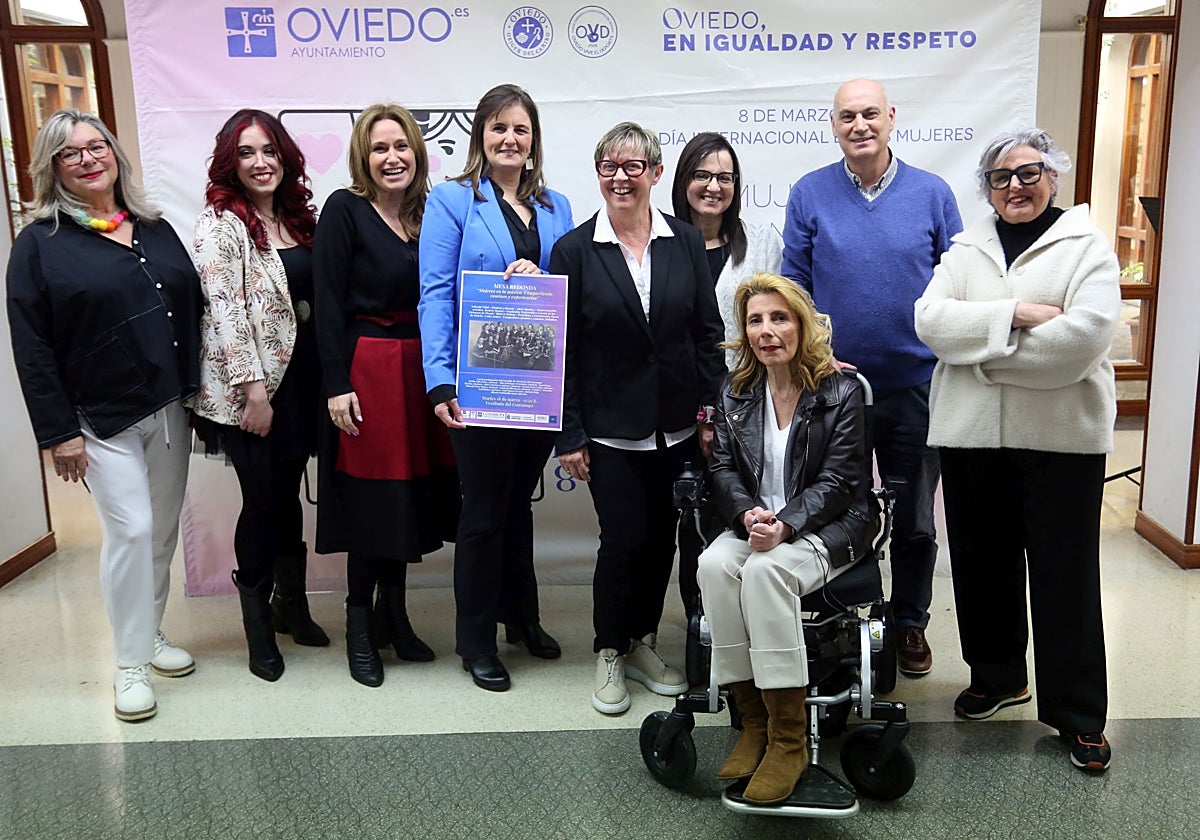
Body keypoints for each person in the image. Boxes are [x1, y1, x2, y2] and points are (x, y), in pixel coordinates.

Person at [914, 128, 1119, 773]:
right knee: (981, 567)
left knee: (1066, 578)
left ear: (1053, 176)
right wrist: (1017, 317)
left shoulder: (1086, 247)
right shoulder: (966, 248)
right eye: (1000, 179)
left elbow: (1082, 341)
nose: (1015, 188)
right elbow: (929, 321)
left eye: (1028, 173)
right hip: (972, 440)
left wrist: (983, 357)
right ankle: (998, 677)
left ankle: (1079, 713)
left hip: (1061, 442)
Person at [6, 109, 202, 721]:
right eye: (71, 154)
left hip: (168, 408)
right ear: (52, 169)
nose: (89, 159)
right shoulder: (39, 244)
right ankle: (127, 664)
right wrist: (58, 432)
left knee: (162, 532)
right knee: (132, 531)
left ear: (115, 153)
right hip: (100, 418)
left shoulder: (153, 226)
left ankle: (152, 633)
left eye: (97, 147)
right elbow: (31, 346)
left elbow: (190, 305)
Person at [781, 77, 962, 677]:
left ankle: (909, 624)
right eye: (846, 116)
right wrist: (814, 349)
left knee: (912, 514)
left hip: (915, 385)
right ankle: (845, 616)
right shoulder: (809, 193)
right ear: (833, 126)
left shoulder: (933, 194)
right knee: (836, 509)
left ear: (890, 118)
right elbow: (794, 285)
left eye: (869, 114)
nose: (859, 125)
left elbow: (957, 283)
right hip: (834, 389)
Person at [551, 121, 725, 715]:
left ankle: (644, 643)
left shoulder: (684, 241)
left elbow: (706, 334)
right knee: (623, 541)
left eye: (634, 167)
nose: (621, 177)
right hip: (609, 430)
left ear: (654, 174)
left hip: (677, 428)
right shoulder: (574, 249)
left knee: (662, 543)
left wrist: (708, 416)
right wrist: (570, 434)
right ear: (598, 174)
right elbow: (565, 349)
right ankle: (608, 649)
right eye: (609, 167)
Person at [696, 272, 876, 804]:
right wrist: (750, 513)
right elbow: (722, 470)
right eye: (755, 320)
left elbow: (841, 482)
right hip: (760, 522)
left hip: (828, 524)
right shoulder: (735, 391)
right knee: (712, 565)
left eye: (779, 318)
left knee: (766, 571)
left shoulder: (838, 390)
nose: (766, 330)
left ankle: (789, 741)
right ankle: (752, 722)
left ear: (801, 324)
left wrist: (786, 525)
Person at [419, 84, 574, 692]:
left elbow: (572, 282)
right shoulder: (453, 200)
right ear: (480, 134)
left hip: (539, 380)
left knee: (517, 505)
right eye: (499, 128)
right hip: (479, 381)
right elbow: (434, 292)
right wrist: (440, 381)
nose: (510, 139)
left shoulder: (557, 204)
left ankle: (523, 619)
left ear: (534, 140)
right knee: (483, 511)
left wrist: (546, 272)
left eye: (522, 129)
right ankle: (476, 640)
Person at [313, 103, 458, 688]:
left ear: (418, 153)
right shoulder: (344, 210)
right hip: (366, 370)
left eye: (401, 146)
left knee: (406, 503)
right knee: (370, 506)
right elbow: (325, 303)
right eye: (380, 148)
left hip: (418, 369)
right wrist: (336, 383)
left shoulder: (431, 213)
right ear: (362, 158)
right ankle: (359, 628)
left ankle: (394, 617)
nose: (392, 157)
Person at [191, 109, 326, 682]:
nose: (260, 162)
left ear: (285, 155)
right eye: (246, 153)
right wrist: (254, 393)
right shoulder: (221, 224)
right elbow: (226, 314)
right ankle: (257, 626)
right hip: (254, 391)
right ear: (230, 162)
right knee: (263, 499)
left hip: (303, 384)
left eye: (269, 150)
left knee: (287, 495)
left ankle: (289, 607)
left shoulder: (298, 219)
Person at [670, 132, 783, 617]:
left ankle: (754, 612)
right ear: (682, 181)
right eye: (702, 175)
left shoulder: (760, 242)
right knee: (693, 509)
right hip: (682, 404)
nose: (713, 186)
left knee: (747, 506)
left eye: (724, 177)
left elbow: (786, 317)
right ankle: (700, 619)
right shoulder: (662, 241)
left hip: (750, 405)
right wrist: (701, 410)